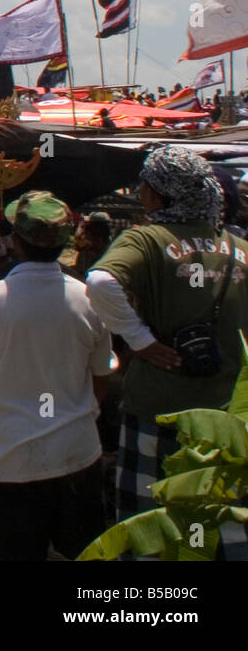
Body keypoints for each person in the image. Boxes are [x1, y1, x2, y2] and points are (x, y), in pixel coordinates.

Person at [86, 146, 248, 528]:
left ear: (158, 195)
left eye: (145, 185)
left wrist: (141, 341)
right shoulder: (239, 248)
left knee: (154, 526)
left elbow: (100, 281)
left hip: (157, 412)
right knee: (219, 526)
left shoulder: (147, 239)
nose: (140, 192)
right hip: (227, 417)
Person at [0, 192, 115, 560]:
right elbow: (102, 376)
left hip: (17, 460)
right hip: (79, 454)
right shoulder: (89, 298)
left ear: (16, 240)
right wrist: (80, 414)